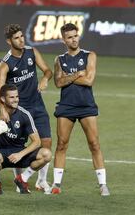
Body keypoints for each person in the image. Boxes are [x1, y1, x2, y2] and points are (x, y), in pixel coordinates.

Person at [51, 23, 110, 196]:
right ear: (63, 40)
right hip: (66, 106)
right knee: (61, 144)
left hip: (86, 106)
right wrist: (77, 74)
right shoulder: (59, 60)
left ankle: (103, 185)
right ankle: (56, 184)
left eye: (75, 35)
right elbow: (58, 83)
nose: (74, 39)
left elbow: (89, 80)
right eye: (69, 37)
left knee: (94, 144)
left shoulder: (90, 55)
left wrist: (67, 77)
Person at [0, 23, 52, 194]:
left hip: (38, 106)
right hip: (19, 109)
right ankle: (13, 181)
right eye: (16, 38)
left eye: (22, 36)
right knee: (18, 145)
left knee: (47, 143)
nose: (21, 40)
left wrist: (44, 79)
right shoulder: (5, 64)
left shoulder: (31, 52)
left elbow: (47, 70)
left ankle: (38, 180)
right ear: (9, 41)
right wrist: (3, 109)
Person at [0, 84, 52, 194]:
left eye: (17, 97)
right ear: (3, 99)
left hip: (19, 153)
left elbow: (37, 142)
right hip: (0, 153)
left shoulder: (24, 115)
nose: (16, 100)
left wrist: (20, 154)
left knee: (47, 154)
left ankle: (22, 178)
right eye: (12, 97)